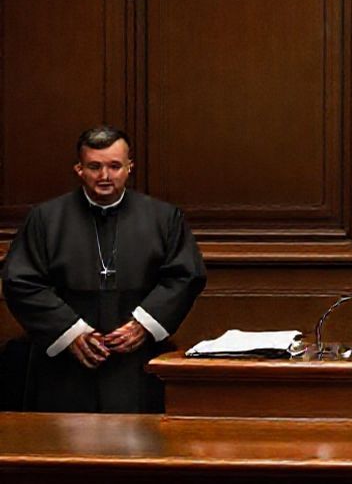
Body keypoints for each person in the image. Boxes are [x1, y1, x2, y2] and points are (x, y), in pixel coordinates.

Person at [2, 126, 206, 413]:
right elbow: (19, 280)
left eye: (114, 166)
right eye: (95, 167)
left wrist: (144, 324)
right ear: (79, 169)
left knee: (140, 449)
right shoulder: (46, 218)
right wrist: (70, 332)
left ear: (129, 168)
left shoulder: (163, 217)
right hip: (65, 363)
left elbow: (186, 275)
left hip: (136, 359)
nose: (105, 176)